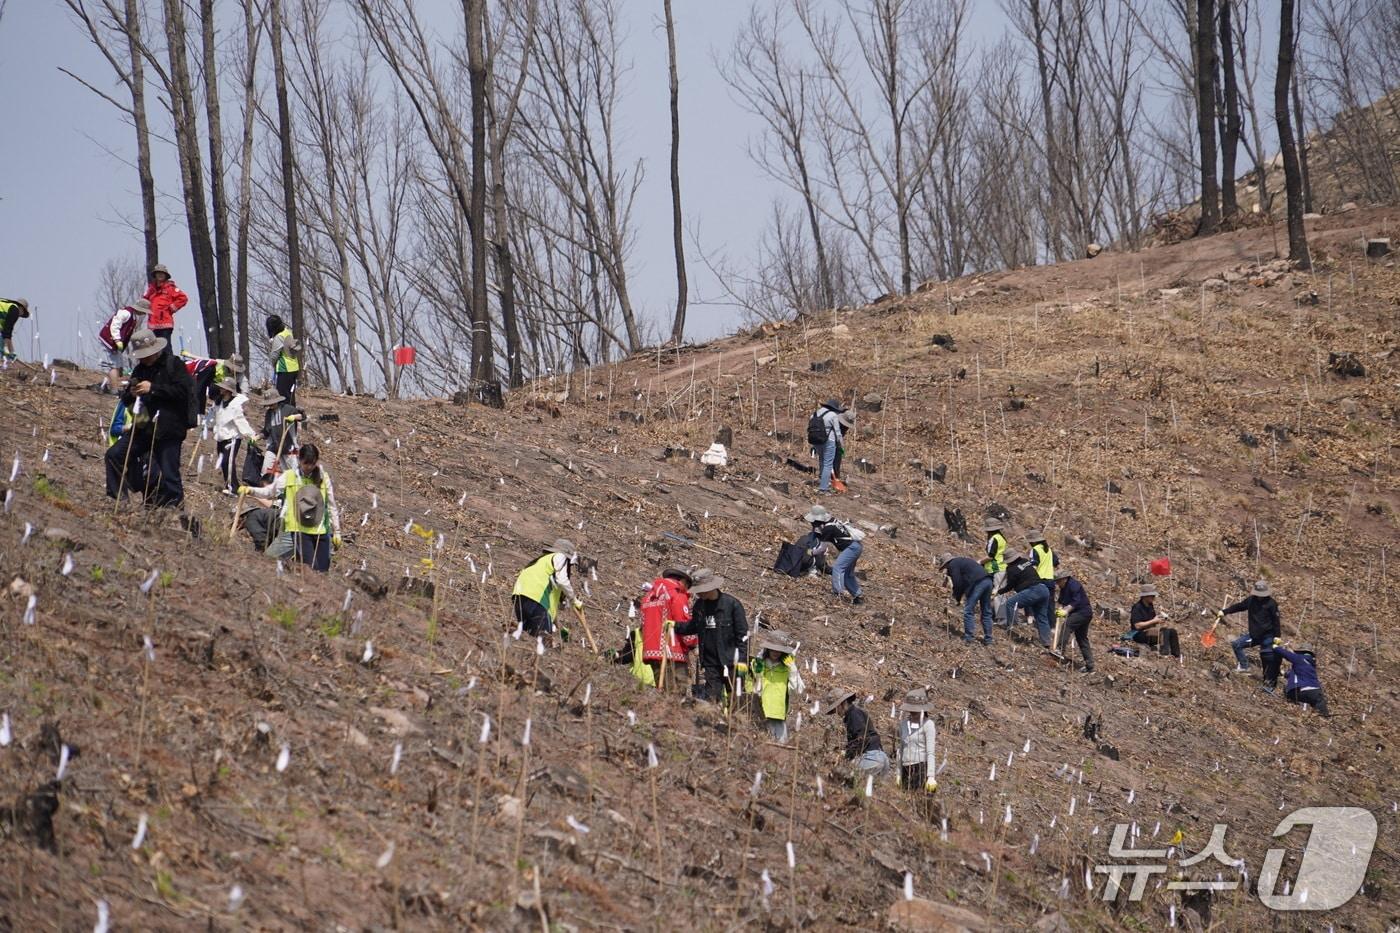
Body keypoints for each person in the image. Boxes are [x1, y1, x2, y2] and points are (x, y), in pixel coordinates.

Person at [104, 329, 195, 508]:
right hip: (144, 427)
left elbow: (183, 392)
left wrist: (153, 388)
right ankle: (118, 500)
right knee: (114, 455)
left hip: (169, 428)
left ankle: (175, 511)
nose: (143, 359)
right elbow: (127, 400)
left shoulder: (173, 364)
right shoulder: (139, 369)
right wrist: (131, 393)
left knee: (169, 473)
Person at [239, 442, 341, 572]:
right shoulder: (290, 476)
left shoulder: (323, 477)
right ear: (299, 460)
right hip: (294, 529)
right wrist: (250, 490)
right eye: (306, 463)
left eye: (312, 463)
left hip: (318, 530)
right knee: (271, 559)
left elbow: (332, 505)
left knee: (319, 570)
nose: (309, 467)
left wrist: (337, 532)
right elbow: (270, 492)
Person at [674, 568, 748, 703]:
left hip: (732, 662)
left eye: (701, 590)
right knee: (711, 700)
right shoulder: (699, 606)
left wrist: (742, 662)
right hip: (710, 663)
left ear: (711, 587)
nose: (699, 594)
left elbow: (743, 636)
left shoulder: (732, 605)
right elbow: (693, 626)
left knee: (736, 701)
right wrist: (674, 626)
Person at [511, 538, 582, 639]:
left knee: (528, 639)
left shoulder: (541, 562)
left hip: (519, 597)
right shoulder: (560, 556)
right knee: (543, 641)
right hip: (536, 599)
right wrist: (574, 600)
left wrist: (555, 624)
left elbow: (554, 599)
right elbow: (562, 580)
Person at [1218, 580, 1282, 689]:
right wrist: (1225, 611)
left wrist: (1277, 636)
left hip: (1268, 635)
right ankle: (1244, 666)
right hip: (1254, 634)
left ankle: (1269, 683)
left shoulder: (1271, 604)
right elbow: (1239, 606)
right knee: (1237, 644)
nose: (1260, 597)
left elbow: (1276, 620)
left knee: (1267, 658)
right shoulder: (1251, 600)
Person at [639, 567, 695, 688]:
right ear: (683, 582)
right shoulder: (677, 595)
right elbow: (683, 622)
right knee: (677, 693)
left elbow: (643, 625)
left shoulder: (648, 597)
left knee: (662, 691)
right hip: (672, 652)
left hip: (651, 651)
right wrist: (693, 642)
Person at [746, 630, 801, 741]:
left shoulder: (787, 668)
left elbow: (796, 689)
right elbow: (754, 682)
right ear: (768, 648)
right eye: (773, 649)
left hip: (778, 713)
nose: (776, 652)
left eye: (779, 650)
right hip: (760, 711)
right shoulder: (759, 663)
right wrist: (759, 661)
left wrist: (793, 670)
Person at [804, 505, 865, 606]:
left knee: (838, 568)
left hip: (851, 548)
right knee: (847, 573)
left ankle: (838, 593)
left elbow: (822, 548)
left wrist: (811, 552)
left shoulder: (828, 529)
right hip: (856, 546)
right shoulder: (831, 520)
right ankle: (858, 595)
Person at [823, 690, 889, 780]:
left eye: (836, 709)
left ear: (843, 703)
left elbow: (861, 739)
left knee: (844, 775)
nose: (837, 712)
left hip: (871, 758)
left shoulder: (853, 715)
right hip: (881, 756)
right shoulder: (857, 713)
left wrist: (845, 753)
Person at [212, 377, 258, 494]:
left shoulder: (235, 405)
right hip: (221, 437)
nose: (221, 389)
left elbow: (240, 421)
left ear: (228, 390)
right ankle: (229, 485)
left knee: (228, 461)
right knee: (223, 462)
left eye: (224, 387)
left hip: (232, 438)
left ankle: (233, 487)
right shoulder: (219, 402)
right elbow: (215, 417)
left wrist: (251, 434)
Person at [997, 550, 1051, 646]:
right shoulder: (1025, 561)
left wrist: (999, 591)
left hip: (1033, 590)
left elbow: (1010, 586)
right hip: (1044, 589)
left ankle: (1013, 629)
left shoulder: (1012, 570)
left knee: (1010, 603)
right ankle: (1046, 642)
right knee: (1041, 617)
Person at [939, 552, 994, 645]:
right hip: (988, 581)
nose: (946, 569)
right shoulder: (963, 561)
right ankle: (988, 639)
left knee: (968, 610)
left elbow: (957, 583)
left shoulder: (953, 565)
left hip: (978, 583)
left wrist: (957, 597)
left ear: (947, 563)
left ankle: (969, 637)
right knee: (986, 611)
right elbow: (965, 581)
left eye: (945, 567)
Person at [97, 298, 150, 388]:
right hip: (109, 341)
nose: (144, 314)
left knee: (117, 365)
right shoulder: (126, 313)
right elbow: (114, 325)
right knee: (111, 365)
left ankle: (109, 385)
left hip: (115, 344)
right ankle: (113, 388)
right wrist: (117, 340)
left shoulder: (133, 317)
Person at [251, 384, 301, 479]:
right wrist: (257, 437)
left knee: (293, 473)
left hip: (288, 447)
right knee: (266, 470)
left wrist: (294, 417)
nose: (270, 406)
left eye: (272, 403)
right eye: (269, 404)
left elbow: (303, 417)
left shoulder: (288, 409)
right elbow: (266, 431)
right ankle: (267, 488)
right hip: (274, 447)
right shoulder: (269, 413)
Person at [896, 688, 937, 794]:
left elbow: (930, 752)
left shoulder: (928, 725)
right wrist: (898, 773)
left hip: (920, 768)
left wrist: (931, 776)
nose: (914, 712)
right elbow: (901, 749)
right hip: (905, 768)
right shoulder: (903, 724)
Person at [1053, 568, 1094, 673]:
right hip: (1078, 613)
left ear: (1065, 579)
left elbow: (1076, 601)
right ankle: (1090, 665)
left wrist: (1066, 611)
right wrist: (1059, 609)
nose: (1057, 583)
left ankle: (1059, 649)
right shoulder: (1063, 588)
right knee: (1081, 638)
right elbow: (1061, 601)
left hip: (1083, 612)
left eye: (1058, 581)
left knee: (1067, 625)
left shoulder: (1074, 585)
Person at [809, 399, 854, 494]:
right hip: (829, 441)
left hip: (816, 441)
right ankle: (824, 488)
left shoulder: (814, 414)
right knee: (828, 464)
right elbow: (838, 433)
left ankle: (823, 481)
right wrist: (841, 445)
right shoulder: (833, 415)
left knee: (822, 460)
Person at [1275, 642, 1330, 717]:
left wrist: (1276, 647)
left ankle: (1299, 709)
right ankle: (1323, 718)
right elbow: (1298, 673)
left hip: (1301, 690)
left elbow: (1286, 654)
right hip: (1316, 691)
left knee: (1289, 693)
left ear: (1301, 652)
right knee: (1320, 705)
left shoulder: (1299, 658)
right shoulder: (1311, 664)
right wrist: (1285, 674)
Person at [1125, 584, 1180, 657]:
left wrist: (1158, 620)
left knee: (1172, 631)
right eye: (1151, 595)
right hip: (1138, 634)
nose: (1153, 597)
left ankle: (1176, 655)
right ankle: (1164, 653)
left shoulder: (1150, 606)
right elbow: (1137, 626)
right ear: (1145, 596)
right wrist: (1153, 621)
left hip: (1149, 631)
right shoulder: (1137, 607)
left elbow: (1152, 622)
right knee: (1165, 632)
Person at [143, 264, 188, 343]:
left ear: (165, 275)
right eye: (158, 273)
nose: (160, 275)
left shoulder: (170, 288)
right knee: (154, 350)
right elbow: (144, 300)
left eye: (162, 273)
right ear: (155, 275)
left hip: (165, 324)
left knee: (165, 348)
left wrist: (172, 308)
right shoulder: (151, 289)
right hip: (152, 325)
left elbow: (183, 298)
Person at [266, 314, 302, 408]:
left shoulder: (279, 337)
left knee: (283, 397)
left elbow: (274, 355)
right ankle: (292, 414)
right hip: (294, 368)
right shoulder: (287, 332)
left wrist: (273, 364)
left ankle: (285, 416)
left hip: (285, 369)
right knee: (290, 396)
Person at [982, 519, 1008, 592]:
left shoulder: (994, 539)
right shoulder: (1001, 537)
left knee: (996, 593)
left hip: (995, 568)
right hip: (1003, 567)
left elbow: (990, 556)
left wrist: (980, 562)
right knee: (1000, 592)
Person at [0, 297, 30, 361]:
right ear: (21, 308)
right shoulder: (15, 310)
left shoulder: (8, 308)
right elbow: (7, 331)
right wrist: (6, 347)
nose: (19, 316)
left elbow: (7, 334)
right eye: (22, 313)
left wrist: (12, 351)